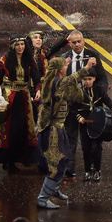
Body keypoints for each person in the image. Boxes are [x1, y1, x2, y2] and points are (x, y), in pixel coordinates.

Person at [36, 55, 95, 209]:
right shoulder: (54, 83)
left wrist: (65, 68)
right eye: (64, 65)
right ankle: (43, 198)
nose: (66, 66)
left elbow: (74, 92)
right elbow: (69, 80)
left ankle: (53, 189)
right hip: (52, 131)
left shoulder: (57, 82)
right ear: (58, 70)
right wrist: (87, 68)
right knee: (57, 164)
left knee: (65, 158)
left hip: (58, 128)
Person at [0, 35, 42, 173]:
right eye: (18, 44)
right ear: (13, 46)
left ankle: (23, 158)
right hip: (9, 98)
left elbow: (36, 78)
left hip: (24, 98)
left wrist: (38, 90)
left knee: (24, 128)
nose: (20, 47)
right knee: (9, 129)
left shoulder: (28, 60)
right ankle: (8, 161)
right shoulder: (6, 60)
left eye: (22, 44)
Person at [61, 30, 108, 179]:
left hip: (90, 107)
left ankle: (93, 169)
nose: (76, 45)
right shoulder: (64, 58)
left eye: (79, 41)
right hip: (71, 105)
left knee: (92, 139)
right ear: (70, 44)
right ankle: (69, 169)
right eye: (73, 42)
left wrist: (100, 95)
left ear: (83, 41)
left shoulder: (93, 56)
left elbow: (102, 78)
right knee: (70, 135)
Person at [74, 67, 112, 182]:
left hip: (98, 124)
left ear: (94, 79)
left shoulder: (99, 89)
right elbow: (73, 108)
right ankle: (87, 171)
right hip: (85, 124)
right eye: (85, 79)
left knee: (97, 148)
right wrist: (79, 117)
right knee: (86, 148)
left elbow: (107, 100)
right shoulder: (78, 92)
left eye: (90, 79)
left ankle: (97, 170)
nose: (87, 82)